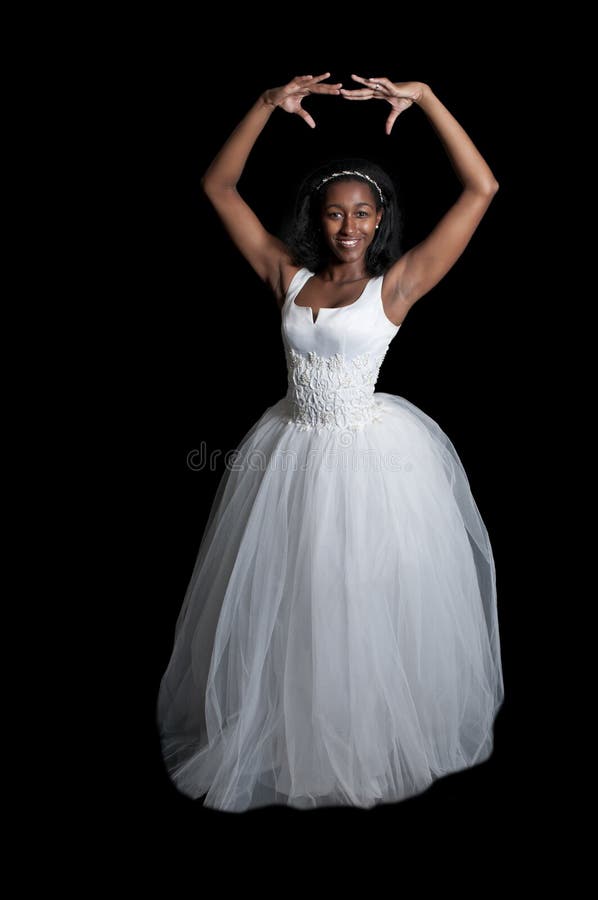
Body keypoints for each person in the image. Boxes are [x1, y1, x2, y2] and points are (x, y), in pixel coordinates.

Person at [156, 73, 505, 812]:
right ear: (320, 217)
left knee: (358, 602)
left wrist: (428, 99)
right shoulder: (288, 276)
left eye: (363, 214)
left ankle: (361, 745)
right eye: (336, 212)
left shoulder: (398, 286)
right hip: (290, 454)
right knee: (292, 604)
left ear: (380, 221)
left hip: (369, 467)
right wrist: (263, 106)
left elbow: (481, 188)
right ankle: (294, 739)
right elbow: (219, 187)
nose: (349, 226)